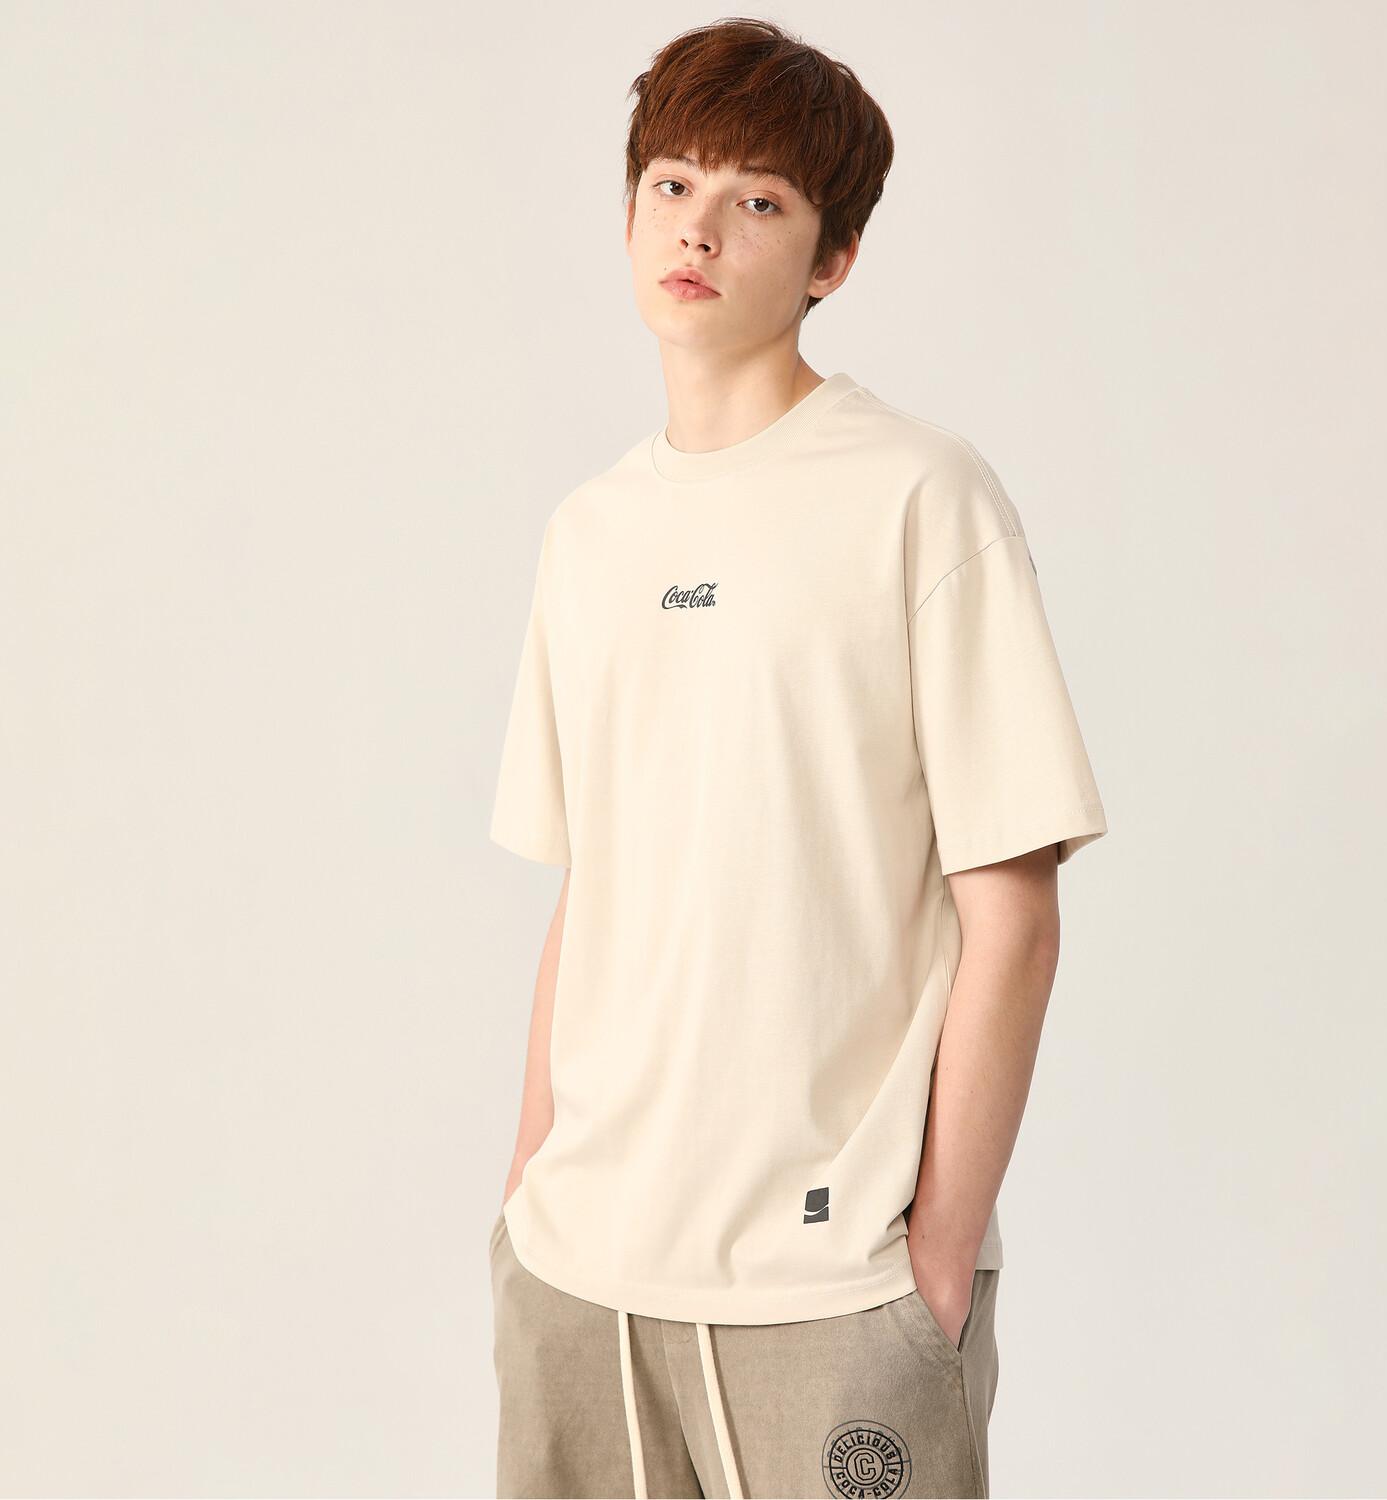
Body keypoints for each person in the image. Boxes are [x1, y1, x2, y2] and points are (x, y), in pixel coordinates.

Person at [484, 18, 1108, 1499]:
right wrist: (525, 1192)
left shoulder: (920, 497)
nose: (698, 229)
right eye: (672, 184)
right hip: (579, 1275)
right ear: (628, 212)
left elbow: (1012, 910)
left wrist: (935, 1261)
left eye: (756, 200)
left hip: (835, 1292)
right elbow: (593, 890)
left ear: (831, 259)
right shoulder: (590, 533)